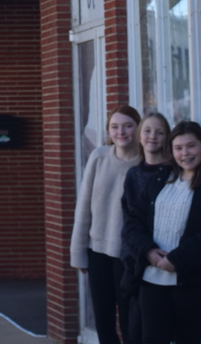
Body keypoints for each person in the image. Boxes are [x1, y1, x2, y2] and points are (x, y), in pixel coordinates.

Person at [124, 120, 201, 344]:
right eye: (178, 148)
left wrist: (177, 259)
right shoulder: (160, 178)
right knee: (152, 339)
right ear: (171, 150)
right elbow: (133, 221)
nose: (185, 153)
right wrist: (148, 251)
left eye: (191, 146)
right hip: (152, 277)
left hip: (193, 281)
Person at [70, 104, 142, 344]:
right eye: (115, 127)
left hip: (129, 256)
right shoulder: (99, 157)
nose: (121, 132)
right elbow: (83, 207)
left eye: (128, 126)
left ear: (138, 127)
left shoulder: (146, 162)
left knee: (130, 321)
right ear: (108, 130)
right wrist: (78, 253)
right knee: (104, 321)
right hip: (98, 251)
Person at [121, 113, 173, 344]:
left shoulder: (174, 172)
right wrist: (146, 251)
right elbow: (130, 220)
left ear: (167, 137)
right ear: (139, 137)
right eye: (148, 131)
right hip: (140, 262)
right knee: (136, 330)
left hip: (170, 260)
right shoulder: (133, 175)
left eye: (160, 132)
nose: (153, 136)